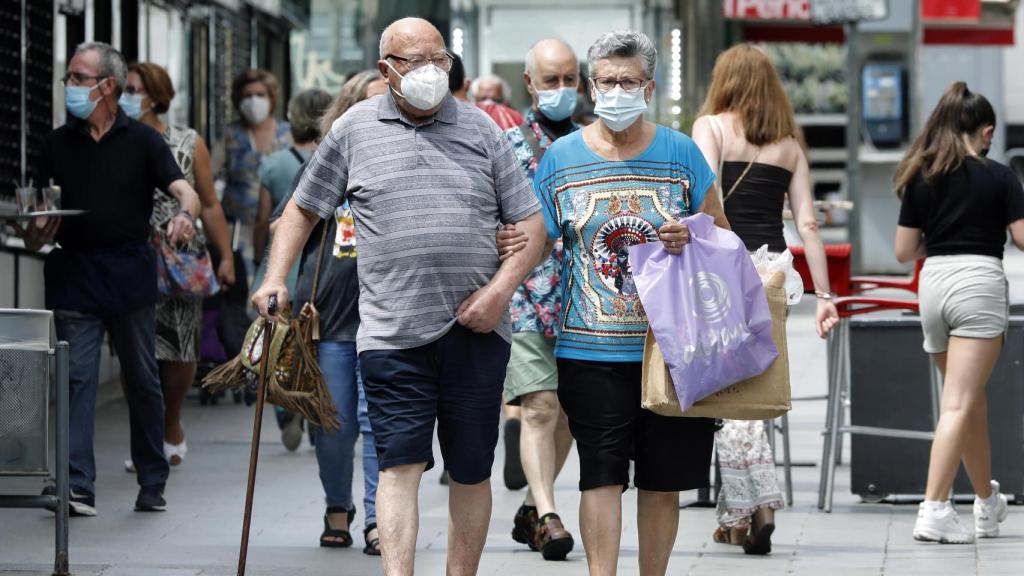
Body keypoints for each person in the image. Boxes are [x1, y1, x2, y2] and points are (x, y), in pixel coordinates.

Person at [251, 17, 547, 576]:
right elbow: (301, 210)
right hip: (391, 333)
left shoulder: (482, 130)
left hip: (477, 331)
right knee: (398, 467)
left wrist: (500, 291)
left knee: (470, 470)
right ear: (387, 69)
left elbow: (532, 227)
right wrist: (275, 278)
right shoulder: (353, 129)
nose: (432, 72)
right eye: (416, 62)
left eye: (440, 60)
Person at [531, 30, 727, 576]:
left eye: (628, 81)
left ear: (649, 87)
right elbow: (539, 241)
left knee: (662, 480)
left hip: (672, 350)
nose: (616, 90)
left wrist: (692, 234)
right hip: (589, 351)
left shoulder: (681, 152)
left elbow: (721, 234)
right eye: (607, 81)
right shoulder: (561, 159)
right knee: (600, 472)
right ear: (592, 87)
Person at [18, 42, 201, 515]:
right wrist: (37, 229)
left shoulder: (142, 140)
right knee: (77, 379)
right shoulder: (55, 144)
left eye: (79, 78)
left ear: (108, 87)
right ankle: (77, 485)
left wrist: (184, 214)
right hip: (74, 273)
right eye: (69, 78)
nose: (70, 87)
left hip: (129, 275)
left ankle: (152, 478)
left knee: (141, 379)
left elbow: (185, 190)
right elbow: (35, 233)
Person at [691, 43, 839, 554]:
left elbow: (704, 198)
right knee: (754, 392)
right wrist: (825, 295)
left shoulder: (709, 127)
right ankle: (737, 516)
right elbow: (810, 223)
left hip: (724, 273)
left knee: (730, 398)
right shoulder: (789, 145)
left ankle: (758, 506)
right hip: (775, 276)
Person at [894, 82, 1021, 544]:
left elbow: (904, 251)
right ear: (985, 130)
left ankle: (987, 504)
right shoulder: (1001, 176)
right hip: (978, 286)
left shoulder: (921, 175)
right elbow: (1023, 238)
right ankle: (934, 508)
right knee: (959, 403)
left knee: (971, 403)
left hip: (935, 286)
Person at [267, 71, 387, 554]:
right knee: (333, 423)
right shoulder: (326, 160)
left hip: (390, 318)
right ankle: (338, 504)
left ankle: (381, 519)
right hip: (333, 316)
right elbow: (284, 221)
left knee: (382, 424)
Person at [118, 62, 235, 469]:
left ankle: (171, 421)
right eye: (124, 88)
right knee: (135, 349)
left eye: (134, 89)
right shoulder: (116, 138)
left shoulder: (187, 141)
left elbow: (210, 202)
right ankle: (146, 435)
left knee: (181, 345)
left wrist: (226, 257)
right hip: (131, 255)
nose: (127, 96)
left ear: (156, 94)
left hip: (181, 259)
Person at [496, 38, 579, 561]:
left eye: (570, 79)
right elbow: (482, 212)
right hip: (523, 293)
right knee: (540, 406)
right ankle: (549, 516)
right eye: (551, 80)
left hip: (582, 297)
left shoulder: (592, 144)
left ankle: (531, 503)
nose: (562, 90)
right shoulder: (505, 145)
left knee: (570, 411)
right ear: (530, 83)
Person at [250, 88, 333, 450]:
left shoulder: (274, 164)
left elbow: (265, 219)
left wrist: (260, 262)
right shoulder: (332, 160)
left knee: (282, 347)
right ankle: (315, 414)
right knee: (313, 345)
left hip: (283, 266)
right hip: (318, 269)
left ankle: (287, 411)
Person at [219, 69, 292, 277]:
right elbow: (214, 176)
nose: (254, 101)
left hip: (280, 226)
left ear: (271, 98)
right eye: (247, 96)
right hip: (238, 231)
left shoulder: (287, 135)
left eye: (260, 95)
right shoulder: (230, 135)